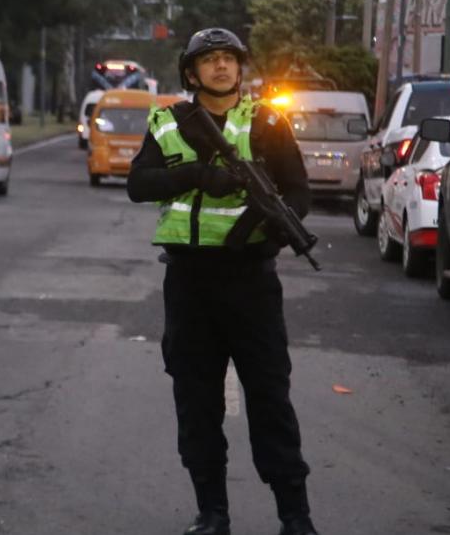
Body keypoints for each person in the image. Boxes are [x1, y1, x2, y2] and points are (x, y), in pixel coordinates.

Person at [127, 28, 318, 535]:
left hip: (251, 281)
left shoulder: (267, 122)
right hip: (190, 284)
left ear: (240, 68)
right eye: (208, 60)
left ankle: (295, 516)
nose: (219, 68)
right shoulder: (169, 123)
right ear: (191, 73)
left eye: (228, 59)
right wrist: (195, 176)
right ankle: (212, 513)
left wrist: (276, 228)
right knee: (197, 402)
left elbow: (299, 193)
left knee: (271, 398)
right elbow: (138, 184)